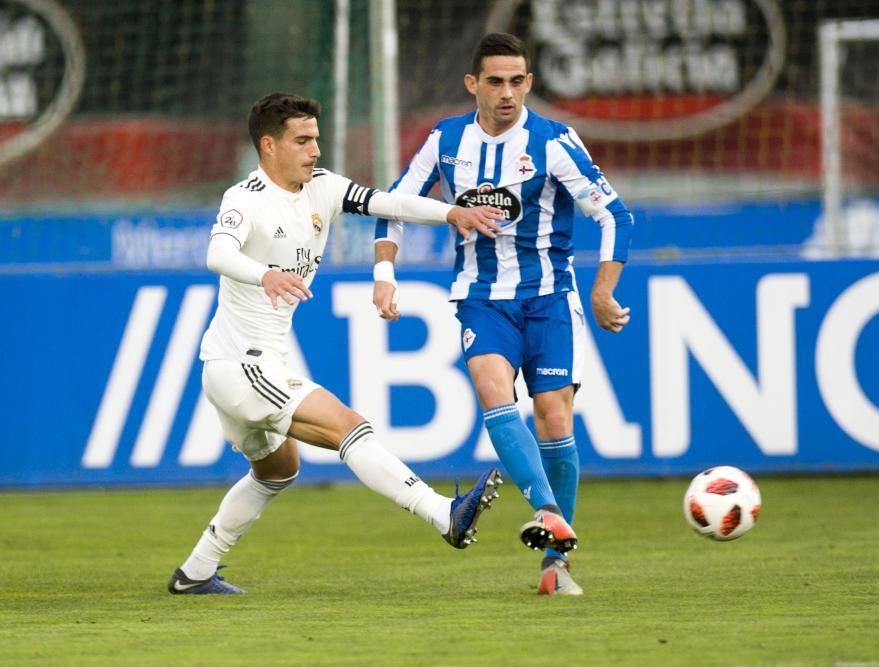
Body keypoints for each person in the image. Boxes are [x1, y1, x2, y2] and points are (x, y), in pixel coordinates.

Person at [168, 92, 507, 595]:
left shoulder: (321, 188)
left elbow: (384, 202)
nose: (315, 151)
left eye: (316, 140)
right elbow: (217, 253)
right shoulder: (246, 198)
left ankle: (195, 572)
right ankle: (444, 514)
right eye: (302, 141)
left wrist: (450, 213)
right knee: (349, 425)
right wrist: (266, 275)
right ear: (268, 146)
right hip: (242, 366)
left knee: (277, 471)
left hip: (243, 368)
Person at [371, 33, 633, 596]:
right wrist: (385, 275)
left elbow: (614, 216)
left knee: (555, 420)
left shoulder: (554, 142)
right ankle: (548, 512)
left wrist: (602, 291)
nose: (507, 92)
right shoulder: (446, 139)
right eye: (495, 81)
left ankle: (555, 565)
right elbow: (393, 204)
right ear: (473, 85)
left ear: (529, 83)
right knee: (494, 388)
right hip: (481, 296)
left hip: (549, 298)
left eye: (517, 81)